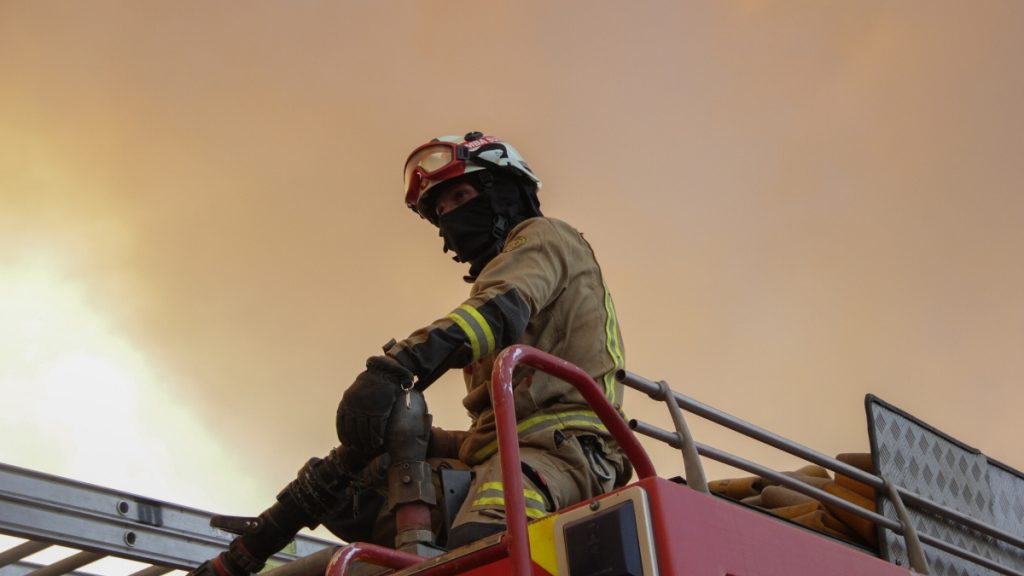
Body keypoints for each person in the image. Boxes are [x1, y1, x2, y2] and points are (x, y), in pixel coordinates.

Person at [192, 131, 629, 576]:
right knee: (354, 488)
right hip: (497, 448)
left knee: (483, 548)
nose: (451, 217)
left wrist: (395, 367)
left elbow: (497, 311)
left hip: (568, 450)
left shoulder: (546, 237)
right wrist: (408, 435)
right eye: (440, 212)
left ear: (505, 192)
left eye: (461, 195)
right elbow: (492, 425)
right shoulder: (502, 279)